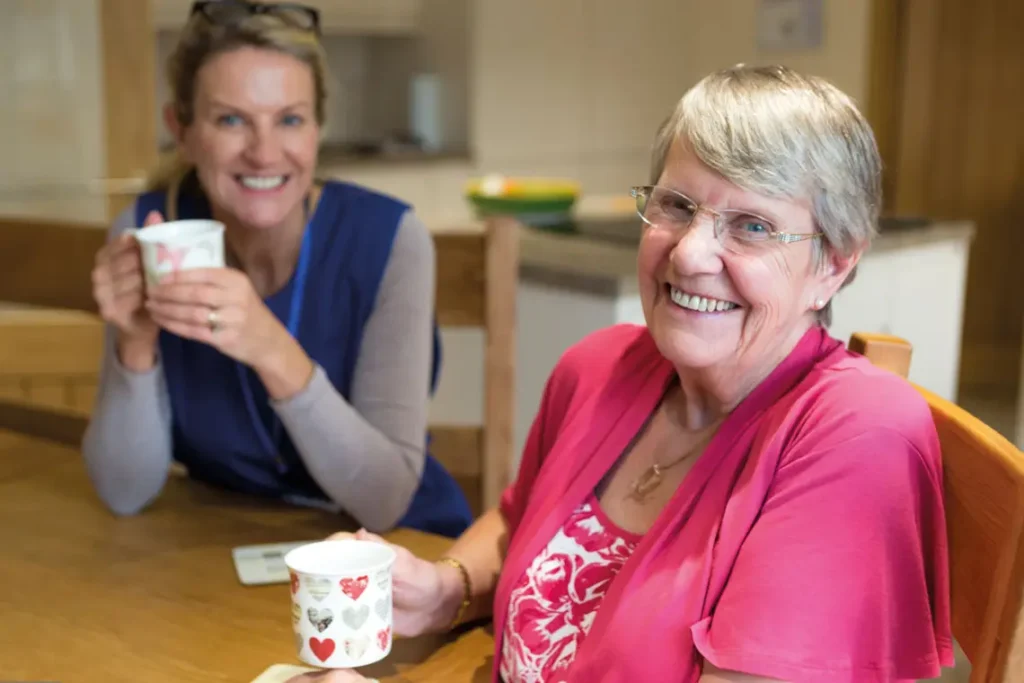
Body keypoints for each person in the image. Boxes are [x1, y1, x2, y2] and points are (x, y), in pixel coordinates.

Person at [292, 65, 955, 683]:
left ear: (834, 263)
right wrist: (445, 591)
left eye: (751, 226)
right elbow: (522, 522)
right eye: (677, 206)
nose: (692, 253)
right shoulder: (601, 367)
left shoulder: (857, 436)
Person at [82, 0, 472, 538]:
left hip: (392, 555)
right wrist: (135, 344)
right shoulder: (152, 230)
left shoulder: (389, 240)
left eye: (289, 119)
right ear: (185, 130)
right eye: (231, 120)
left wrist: (270, 347)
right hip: (224, 547)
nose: (264, 154)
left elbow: (383, 502)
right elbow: (124, 492)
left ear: (317, 129)